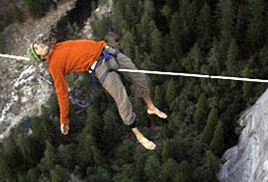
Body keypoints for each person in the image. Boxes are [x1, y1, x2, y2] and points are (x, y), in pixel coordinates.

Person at [28, 37, 166, 150]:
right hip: (100, 67)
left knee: (139, 77)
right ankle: (138, 135)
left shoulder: (58, 46)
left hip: (108, 52)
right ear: (40, 58)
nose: (39, 45)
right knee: (122, 98)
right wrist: (64, 119)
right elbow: (61, 93)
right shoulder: (54, 67)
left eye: (37, 44)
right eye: (36, 49)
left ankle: (151, 107)